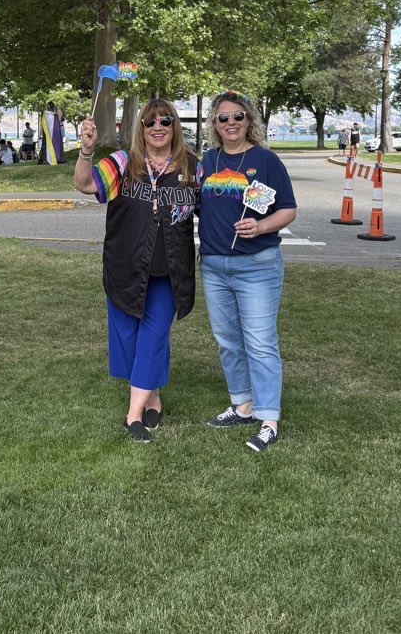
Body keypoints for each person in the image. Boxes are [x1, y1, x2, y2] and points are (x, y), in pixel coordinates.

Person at [74, 98, 199, 444]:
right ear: (140, 128)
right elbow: (85, 185)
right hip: (125, 267)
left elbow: (213, 210)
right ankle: (154, 397)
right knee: (128, 339)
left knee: (153, 337)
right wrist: (86, 151)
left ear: (175, 126)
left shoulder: (191, 167)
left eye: (165, 121)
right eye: (150, 122)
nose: (157, 128)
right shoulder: (122, 163)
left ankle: (132, 415)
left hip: (169, 272)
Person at [198, 91, 297, 454]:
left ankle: (268, 418)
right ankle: (243, 404)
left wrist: (262, 226)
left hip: (257, 266)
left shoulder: (266, 160)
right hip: (213, 265)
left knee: (260, 342)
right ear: (215, 124)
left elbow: (288, 210)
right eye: (223, 118)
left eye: (237, 117)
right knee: (228, 341)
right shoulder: (206, 162)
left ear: (249, 120)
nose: (231, 124)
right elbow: (194, 206)